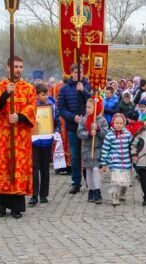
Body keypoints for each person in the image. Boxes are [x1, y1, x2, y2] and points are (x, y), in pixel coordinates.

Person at [0, 56, 36, 219]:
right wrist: (6, 94)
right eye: (15, 66)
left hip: (21, 137)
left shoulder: (29, 88)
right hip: (4, 136)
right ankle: (2, 205)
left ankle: (16, 207)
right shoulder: (0, 85)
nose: (18, 69)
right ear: (8, 67)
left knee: (18, 168)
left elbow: (32, 108)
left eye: (21, 67)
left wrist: (21, 116)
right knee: (4, 168)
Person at [57, 63, 91, 194]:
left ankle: (90, 181)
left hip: (86, 125)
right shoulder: (64, 89)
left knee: (87, 154)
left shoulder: (88, 85)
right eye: (76, 72)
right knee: (75, 156)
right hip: (72, 127)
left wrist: (83, 91)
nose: (79, 74)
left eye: (81, 72)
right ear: (71, 73)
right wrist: (73, 117)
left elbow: (93, 102)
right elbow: (61, 109)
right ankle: (76, 182)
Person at [77, 97, 108, 204]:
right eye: (86, 107)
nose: (87, 109)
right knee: (89, 171)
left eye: (90, 107)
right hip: (87, 149)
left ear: (96, 108)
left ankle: (97, 191)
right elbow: (80, 133)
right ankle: (90, 190)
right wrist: (89, 133)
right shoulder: (83, 120)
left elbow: (105, 133)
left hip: (98, 149)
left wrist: (98, 130)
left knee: (96, 170)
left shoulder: (102, 120)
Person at [29, 84, 56, 207]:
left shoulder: (52, 106)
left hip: (46, 140)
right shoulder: (32, 106)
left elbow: (55, 121)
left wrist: (56, 132)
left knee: (45, 168)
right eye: (43, 94)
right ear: (37, 94)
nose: (45, 96)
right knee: (34, 168)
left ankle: (44, 194)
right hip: (34, 140)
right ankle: (34, 195)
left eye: (47, 94)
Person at [100, 113, 132, 206]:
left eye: (121, 123)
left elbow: (132, 146)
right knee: (116, 180)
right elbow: (105, 150)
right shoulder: (109, 135)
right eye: (117, 123)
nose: (119, 125)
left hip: (126, 162)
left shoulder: (128, 134)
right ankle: (115, 196)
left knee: (125, 179)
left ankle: (123, 192)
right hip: (115, 162)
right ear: (113, 123)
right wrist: (104, 163)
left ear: (124, 123)